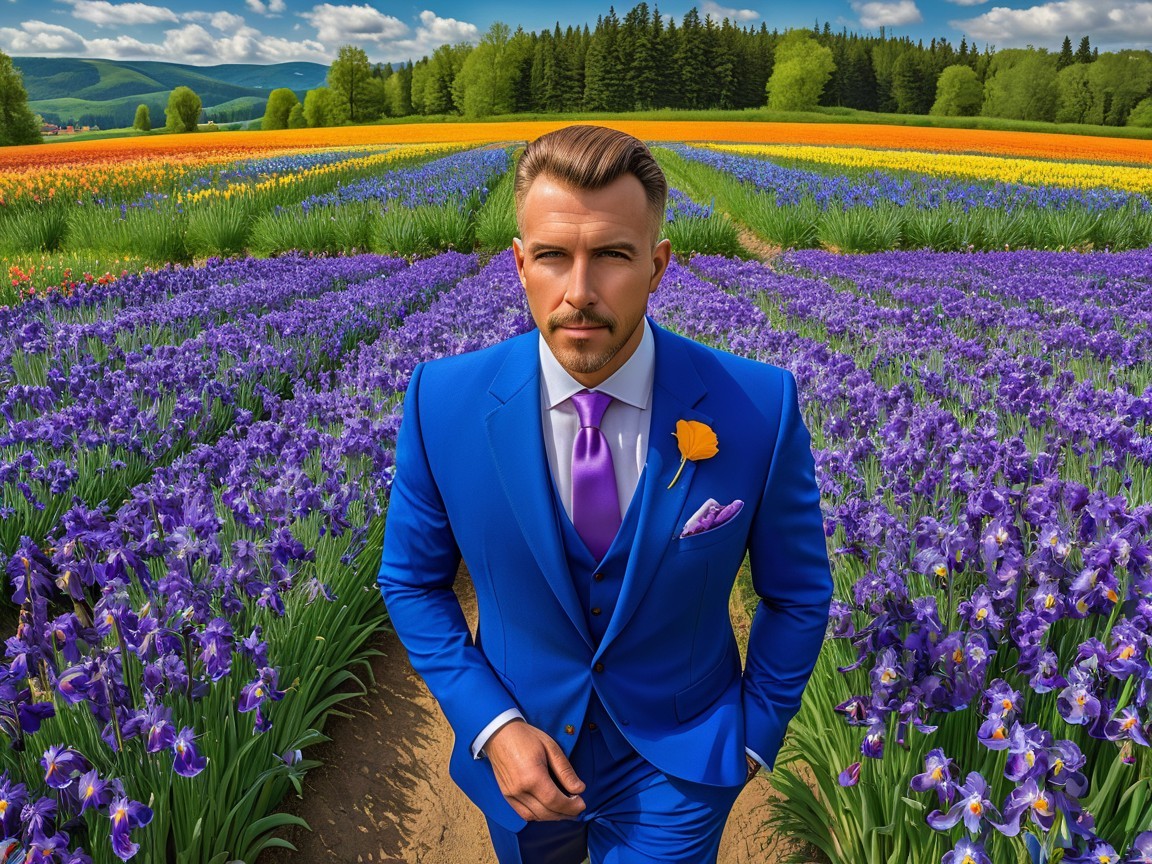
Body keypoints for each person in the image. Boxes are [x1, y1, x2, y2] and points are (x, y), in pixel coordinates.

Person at [376, 125, 833, 864]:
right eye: (553, 256)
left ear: (658, 267)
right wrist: (491, 726)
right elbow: (410, 581)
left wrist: (754, 737)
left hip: (680, 764)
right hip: (520, 758)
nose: (580, 292)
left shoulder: (757, 406)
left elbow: (799, 591)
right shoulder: (443, 401)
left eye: (613, 256)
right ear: (520, 265)